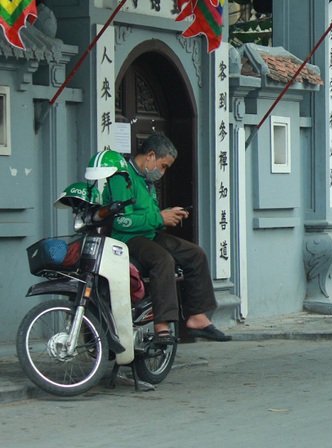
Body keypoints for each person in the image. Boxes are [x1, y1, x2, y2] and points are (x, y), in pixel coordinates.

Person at [93, 137, 230, 342]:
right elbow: (122, 221)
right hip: (126, 239)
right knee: (163, 259)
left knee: (195, 254)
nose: (162, 172)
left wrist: (166, 215)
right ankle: (162, 325)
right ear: (150, 156)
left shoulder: (147, 181)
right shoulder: (122, 177)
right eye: (163, 166)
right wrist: (159, 218)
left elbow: (150, 216)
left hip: (148, 234)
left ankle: (197, 317)